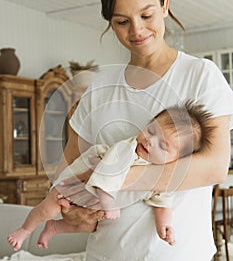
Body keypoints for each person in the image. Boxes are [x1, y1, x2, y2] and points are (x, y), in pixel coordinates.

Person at [28, 0, 233, 261]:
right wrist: (70, 207)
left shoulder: (201, 75)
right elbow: (69, 165)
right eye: (121, 21)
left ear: (165, 5)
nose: (136, 30)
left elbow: (214, 167)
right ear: (109, 20)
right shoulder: (99, 88)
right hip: (103, 259)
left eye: (147, 15)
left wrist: (119, 174)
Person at [7, 101, 214, 250]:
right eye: (151, 131)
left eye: (162, 145)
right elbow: (106, 172)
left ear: (175, 159)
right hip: (73, 184)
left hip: (90, 204)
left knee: (91, 225)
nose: (150, 141)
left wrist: (164, 225)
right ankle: (25, 229)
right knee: (51, 207)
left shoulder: (161, 175)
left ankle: (55, 227)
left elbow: (162, 202)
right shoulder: (127, 149)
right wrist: (108, 202)